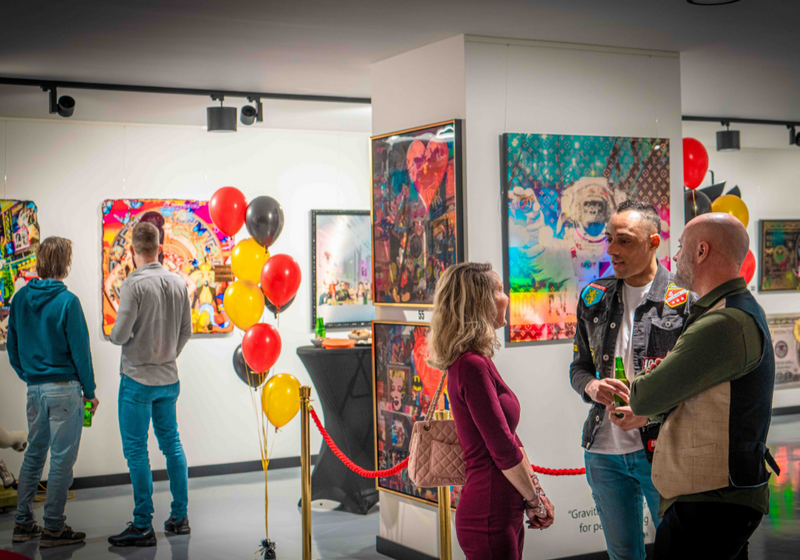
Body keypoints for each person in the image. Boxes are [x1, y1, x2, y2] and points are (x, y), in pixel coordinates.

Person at [630, 213, 778, 560]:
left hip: (711, 502)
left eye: (681, 247)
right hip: (720, 498)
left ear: (701, 251)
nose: (674, 256)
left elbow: (644, 396)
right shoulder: (734, 310)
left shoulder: (723, 321)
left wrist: (643, 394)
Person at [569, 200, 695, 560]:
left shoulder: (685, 299)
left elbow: (697, 385)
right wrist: (592, 386)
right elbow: (579, 368)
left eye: (623, 240)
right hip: (602, 452)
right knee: (622, 555)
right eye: (609, 239)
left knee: (678, 552)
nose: (611, 249)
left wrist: (650, 413)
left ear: (654, 242)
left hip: (662, 450)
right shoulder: (594, 297)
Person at [427, 262, 555, 560]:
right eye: (499, 290)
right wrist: (534, 501)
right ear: (480, 302)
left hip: (502, 508)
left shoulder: (476, 361)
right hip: (489, 512)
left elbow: (511, 439)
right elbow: (502, 448)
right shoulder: (471, 365)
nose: (506, 296)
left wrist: (535, 496)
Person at [8, 236, 98, 548]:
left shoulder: (20, 300)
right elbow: (81, 353)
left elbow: (13, 348)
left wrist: (29, 375)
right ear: (65, 264)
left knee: (34, 454)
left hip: (35, 390)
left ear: (40, 261)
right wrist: (90, 391)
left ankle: (22, 523)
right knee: (61, 460)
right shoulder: (68, 301)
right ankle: (54, 528)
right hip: (65, 391)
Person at [108, 221, 193, 548]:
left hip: (137, 381)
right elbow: (186, 331)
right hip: (168, 379)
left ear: (132, 250)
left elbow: (119, 335)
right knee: (172, 445)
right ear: (160, 247)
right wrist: (169, 353)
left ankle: (143, 524)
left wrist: (124, 336)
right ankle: (180, 517)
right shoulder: (178, 282)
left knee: (136, 452)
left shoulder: (134, 284)